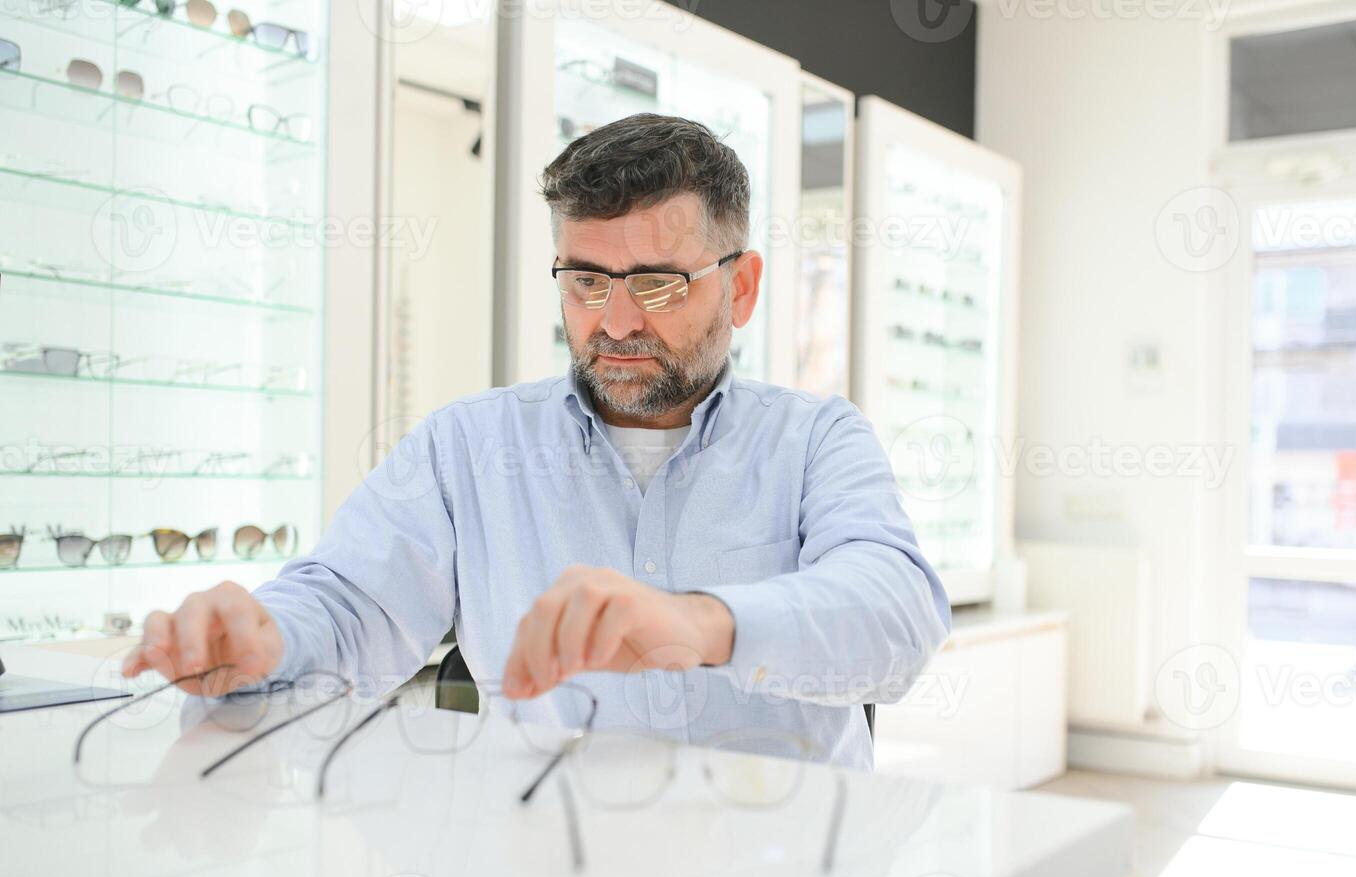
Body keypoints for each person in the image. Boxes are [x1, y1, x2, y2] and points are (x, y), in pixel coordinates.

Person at [123, 113, 951, 767]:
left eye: (658, 285)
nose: (616, 321)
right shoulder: (467, 449)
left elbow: (894, 619)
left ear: (741, 288)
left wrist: (701, 624)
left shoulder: (815, 441)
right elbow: (350, 605)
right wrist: (271, 639)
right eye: (586, 280)